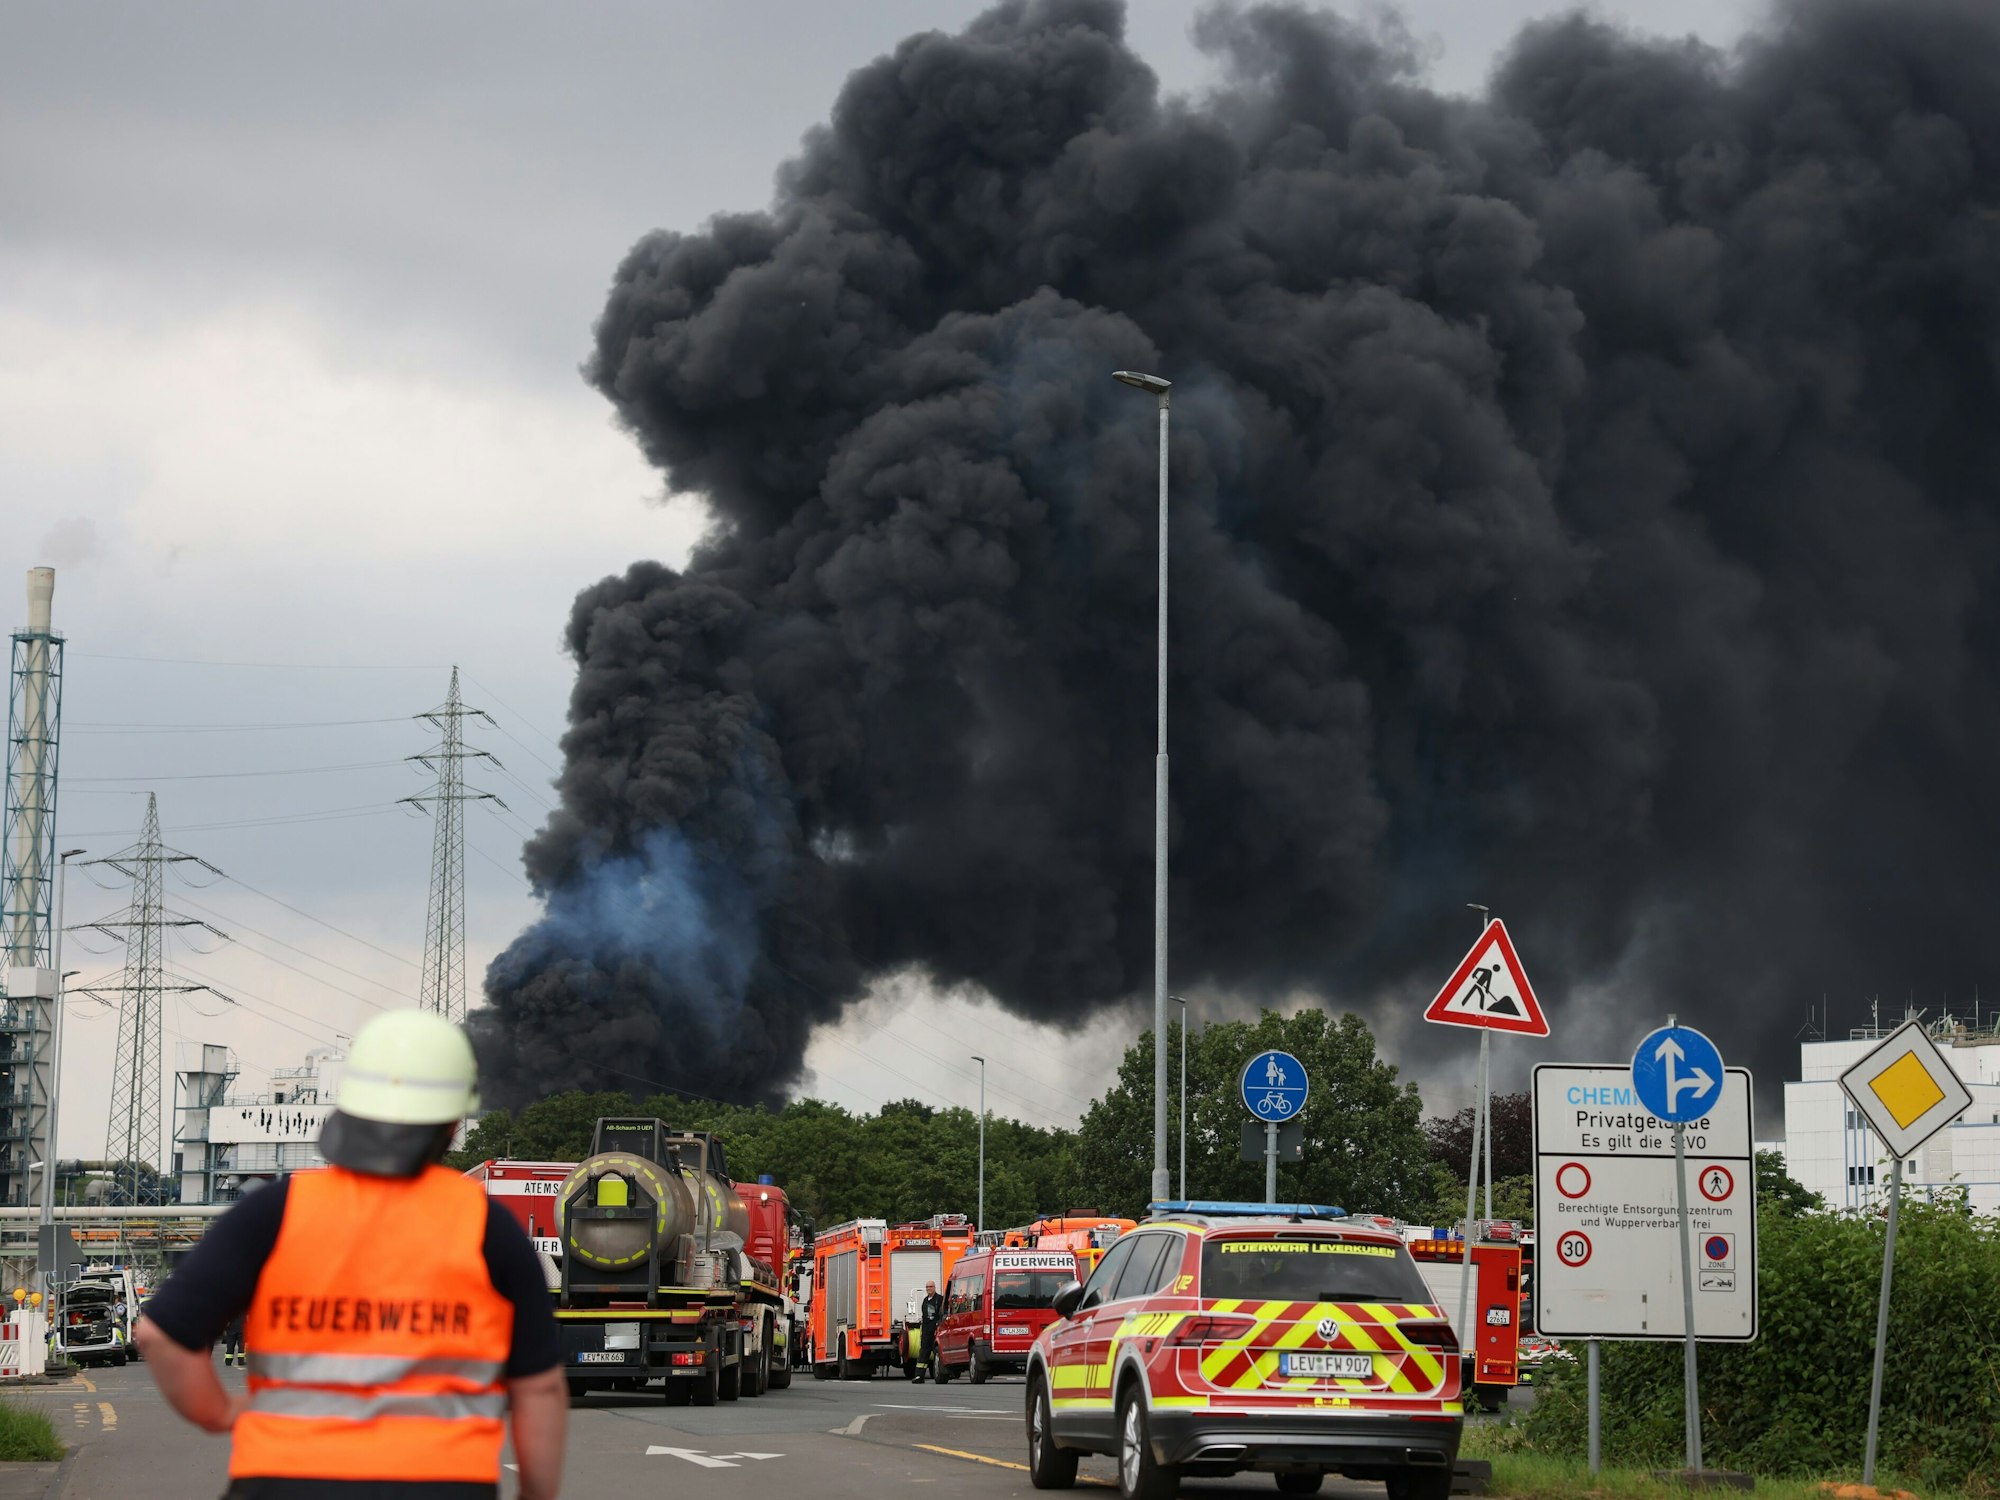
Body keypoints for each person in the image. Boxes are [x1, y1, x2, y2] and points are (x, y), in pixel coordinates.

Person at [136, 1010, 567, 1500]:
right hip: (442, 1485)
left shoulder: (275, 1213)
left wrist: (218, 1413)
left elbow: (158, 1335)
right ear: (452, 1124)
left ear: (351, 1107)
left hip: (283, 1481)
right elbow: (540, 1390)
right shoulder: (488, 1228)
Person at [919, 1279, 944, 1373]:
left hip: (935, 1331)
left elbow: (942, 1314)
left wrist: (938, 1327)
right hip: (926, 1331)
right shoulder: (925, 1300)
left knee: (937, 1352)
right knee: (924, 1352)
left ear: (934, 1288)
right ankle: (919, 1375)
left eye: (930, 1287)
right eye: (927, 1287)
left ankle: (939, 1373)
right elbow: (924, 1316)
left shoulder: (940, 1299)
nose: (928, 1288)